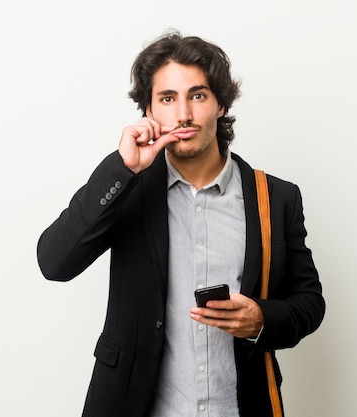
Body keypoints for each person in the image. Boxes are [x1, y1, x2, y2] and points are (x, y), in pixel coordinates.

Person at [37, 30, 325, 417]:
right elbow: (55, 262)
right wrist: (121, 170)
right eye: (168, 99)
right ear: (149, 111)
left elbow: (309, 304)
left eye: (198, 95)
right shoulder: (128, 188)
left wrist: (260, 319)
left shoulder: (276, 197)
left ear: (220, 104)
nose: (184, 114)